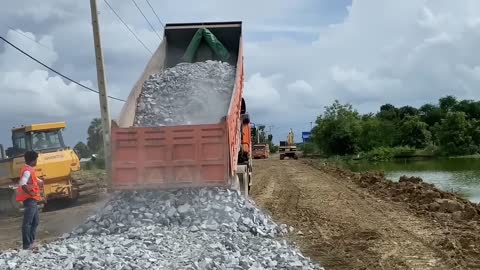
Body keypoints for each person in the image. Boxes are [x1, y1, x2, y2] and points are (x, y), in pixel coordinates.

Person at [16, 150, 44, 250]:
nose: (37, 161)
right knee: (27, 223)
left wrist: (40, 181)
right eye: (36, 159)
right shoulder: (27, 170)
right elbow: (23, 183)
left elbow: (34, 179)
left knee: (35, 221)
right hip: (29, 199)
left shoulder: (30, 169)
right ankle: (27, 245)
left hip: (33, 199)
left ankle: (32, 241)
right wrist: (31, 193)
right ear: (33, 160)